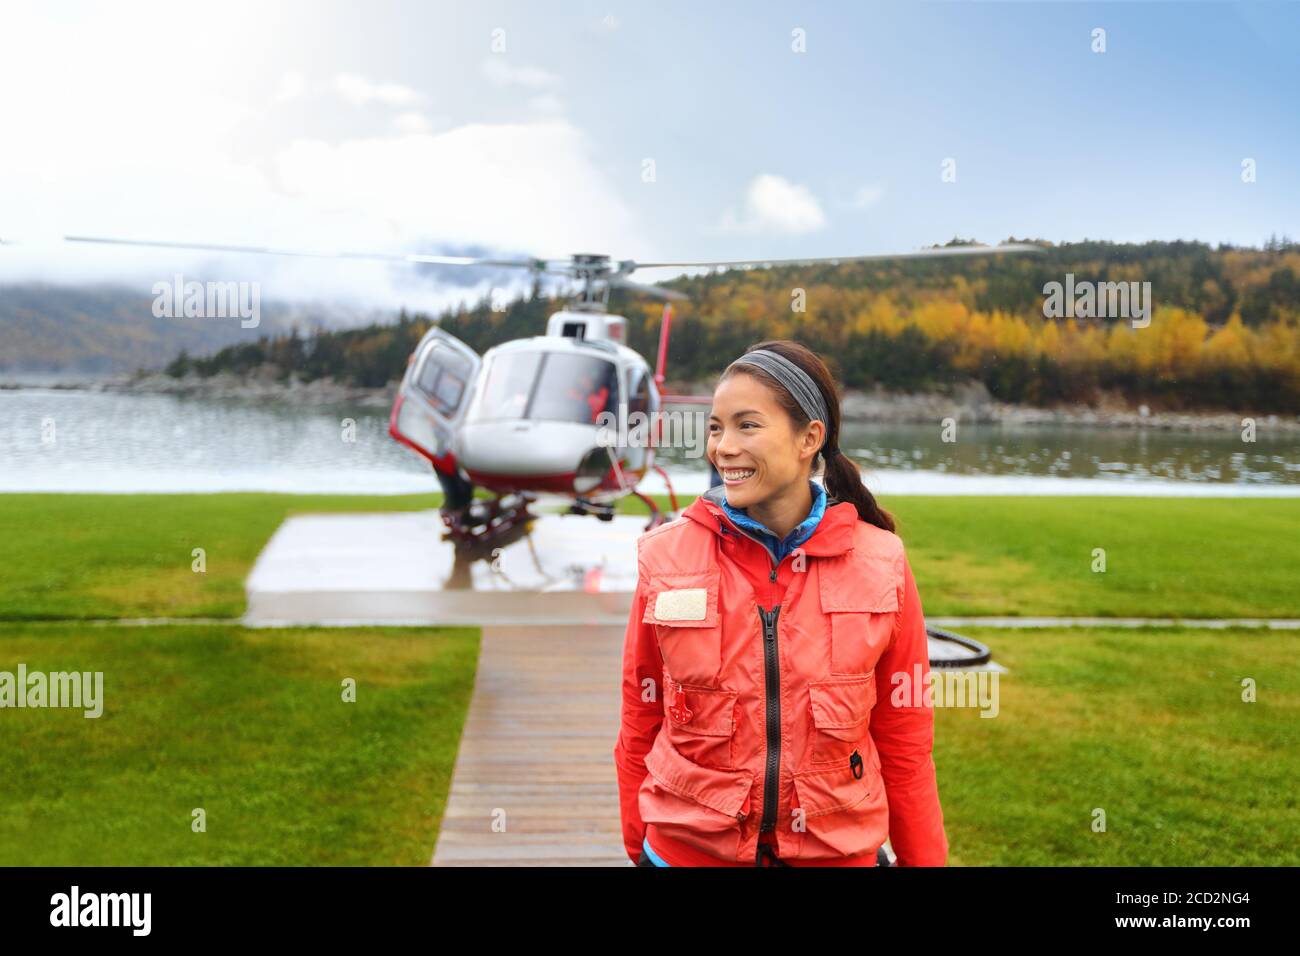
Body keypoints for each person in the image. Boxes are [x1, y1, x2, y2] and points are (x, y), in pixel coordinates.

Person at [613, 340, 948, 867]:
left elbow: (905, 740)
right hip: (686, 853)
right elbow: (640, 713)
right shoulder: (667, 556)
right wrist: (639, 845)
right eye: (716, 427)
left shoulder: (882, 561)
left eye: (747, 425)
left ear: (809, 438)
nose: (723, 447)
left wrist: (923, 860)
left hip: (837, 855)